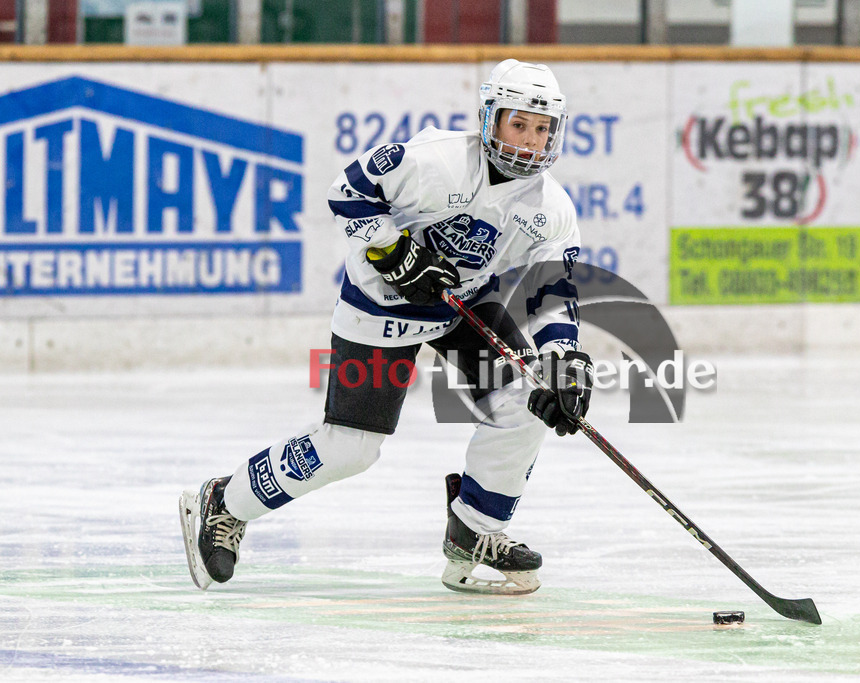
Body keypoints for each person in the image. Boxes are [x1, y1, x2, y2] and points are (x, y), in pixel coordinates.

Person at [179, 59, 594, 596]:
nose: (530, 142)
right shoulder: (433, 161)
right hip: (382, 306)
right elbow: (347, 191)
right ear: (489, 119)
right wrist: (394, 251)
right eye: (519, 124)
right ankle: (223, 502)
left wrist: (563, 359)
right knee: (351, 449)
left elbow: (553, 290)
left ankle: (476, 529)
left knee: (529, 396)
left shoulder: (550, 206)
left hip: (461, 304)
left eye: (543, 129)